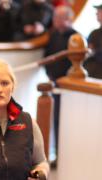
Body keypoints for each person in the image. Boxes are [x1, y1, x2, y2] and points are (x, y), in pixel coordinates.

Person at [44, 5, 77, 166]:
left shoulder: (76, 37)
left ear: (69, 19)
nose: (55, 21)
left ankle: (70, 155)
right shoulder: (54, 35)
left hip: (71, 89)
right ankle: (58, 155)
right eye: (55, 17)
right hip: (56, 85)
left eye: (59, 18)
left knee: (70, 121)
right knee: (56, 120)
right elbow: (47, 57)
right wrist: (50, 74)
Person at [83, 4, 102, 79]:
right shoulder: (94, 33)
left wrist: (94, 52)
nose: (96, 13)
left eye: (100, 11)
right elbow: (87, 52)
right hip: (91, 74)